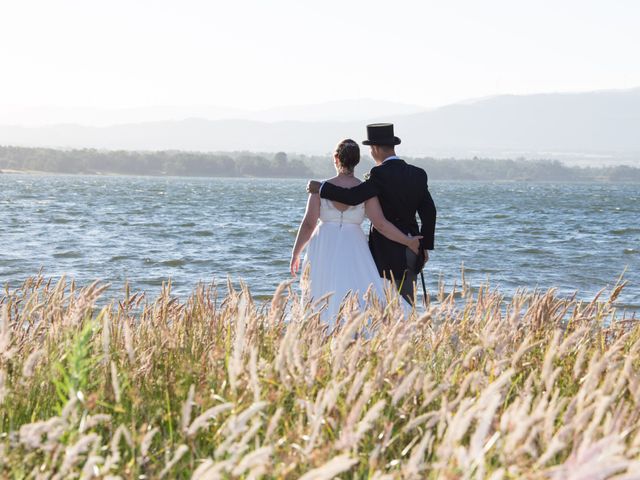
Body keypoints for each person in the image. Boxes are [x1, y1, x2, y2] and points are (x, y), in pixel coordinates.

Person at [290, 138, 421, 327]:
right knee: (357, 286)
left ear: (336, 158)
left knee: (322, 288)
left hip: (324, 244)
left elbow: (309, 223)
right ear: (357, 161)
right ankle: (358, 327)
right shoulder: (365, 190)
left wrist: (296, 253)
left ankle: (323, 328)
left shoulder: (318, 188)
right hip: (354, 244)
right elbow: (381, 224)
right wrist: (407, 241)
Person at [307, 123, 436, 304]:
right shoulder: (418, 174)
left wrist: (321, 188)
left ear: (375, 148)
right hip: (412, 247)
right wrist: (423, 245)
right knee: (407, 303)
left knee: (384, 303)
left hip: (385, 251)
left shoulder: (378, 174)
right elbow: (429, 211)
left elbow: (352, 197)